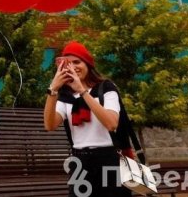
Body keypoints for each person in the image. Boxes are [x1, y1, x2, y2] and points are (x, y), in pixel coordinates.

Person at [43, 41, 132, 197]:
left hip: (108, 158)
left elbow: (111, 124)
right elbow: (50, 125)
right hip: (80, 161)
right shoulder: (65, 95)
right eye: (68, 63)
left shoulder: (106, 88)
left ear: (88, 64)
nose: (73, 67)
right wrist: (53, 89)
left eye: (77, 62)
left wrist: (83, 92)